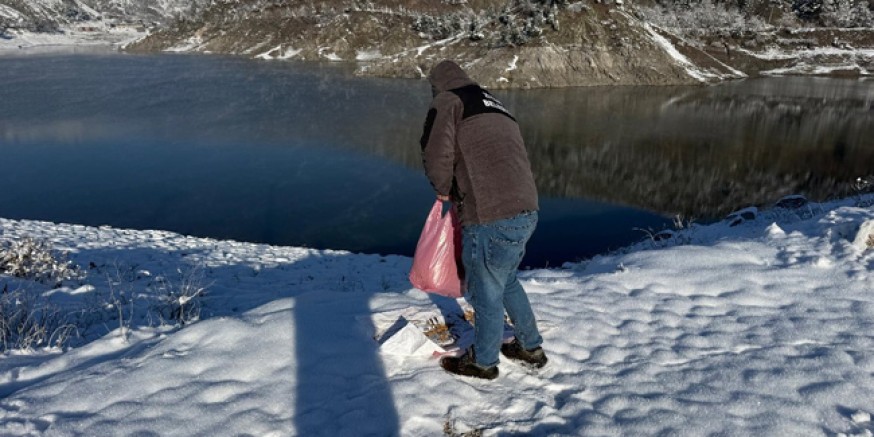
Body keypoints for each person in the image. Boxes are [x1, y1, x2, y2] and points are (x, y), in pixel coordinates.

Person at [420, 60, 547, 380]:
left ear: (437, 85)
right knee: (506, 280)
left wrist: (443, 189)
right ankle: (530, 348)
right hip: (526, 208)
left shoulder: (448, 101)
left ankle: (484, 362)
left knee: (485, 290)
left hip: (489, 211)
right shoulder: (493, 102)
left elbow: (437, 154)